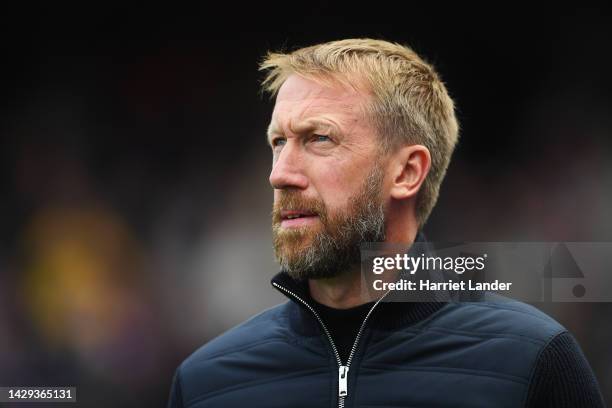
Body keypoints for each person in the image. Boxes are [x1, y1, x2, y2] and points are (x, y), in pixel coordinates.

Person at [167, 39, 605, 407]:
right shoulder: (206, 384)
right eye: (278, 142)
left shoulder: (532, 361)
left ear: (407, 172)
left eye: (319, 138)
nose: (279, 173)